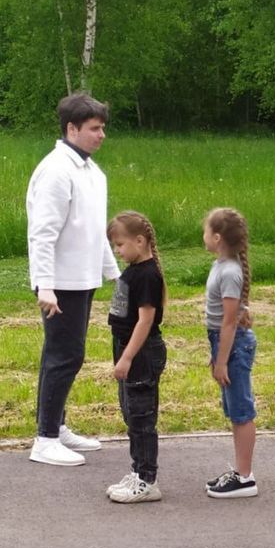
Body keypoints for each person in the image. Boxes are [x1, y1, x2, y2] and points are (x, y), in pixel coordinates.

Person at [26, 93, 119, 467]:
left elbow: (94, 230)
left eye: (102, 128)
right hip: (61, 283)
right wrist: (45, 285)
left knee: (65, 354)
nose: (101, 135)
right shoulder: (56, 171)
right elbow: (42, 234)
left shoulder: (92, 172)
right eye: (94, 128)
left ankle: (56, 426)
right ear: (71, 128)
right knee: (64, 356)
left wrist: (114, 273)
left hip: (82, 279)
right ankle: (45, 439)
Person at [104, 211, 168, 503]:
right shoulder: (134, 271)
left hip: (141, 352)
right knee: (131, 413)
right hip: (126, 347)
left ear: (139, 241)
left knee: (141, 416)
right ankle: (138, 470)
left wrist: (128, 357)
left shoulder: (147, 275)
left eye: (120, 245)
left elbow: (145, 321)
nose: (118, 251)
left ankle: (147, 479)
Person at [202, 208, 259, 499]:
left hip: (233, 344)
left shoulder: (229, 272)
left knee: (241, 411)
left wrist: (222, 360)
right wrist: (216, 354)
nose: (203, 236)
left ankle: (245, 478)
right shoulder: (222, 265)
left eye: (205, 231)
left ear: (217, 237)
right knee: (235, 411)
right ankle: (240, 471)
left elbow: (229, 321)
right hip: (225, 343)